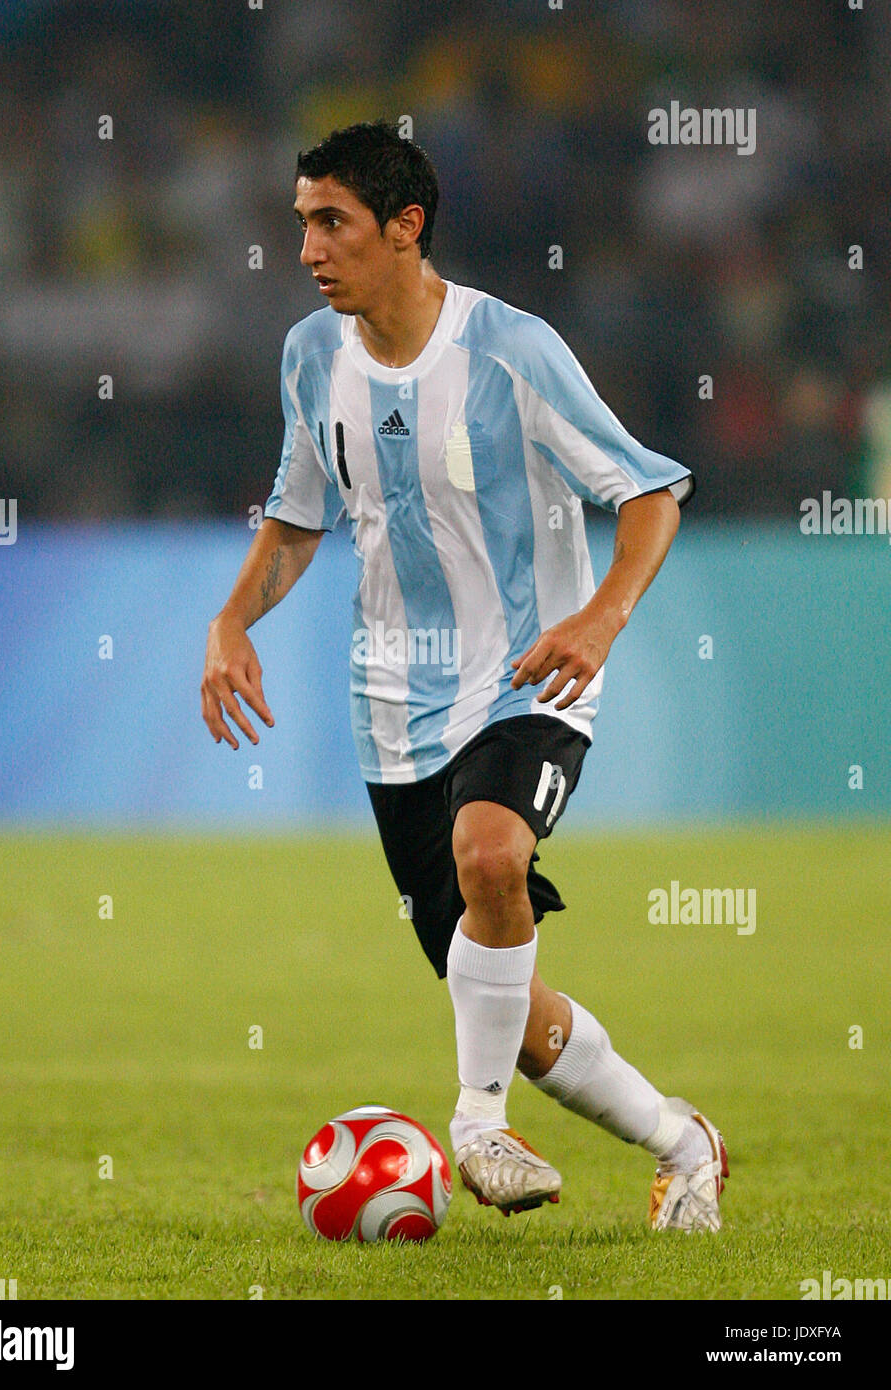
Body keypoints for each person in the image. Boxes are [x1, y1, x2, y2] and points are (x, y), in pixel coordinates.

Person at [201, 121, 728, 1230]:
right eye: (301, 221)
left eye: (330, 222)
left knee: (490, 849)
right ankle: (683, 1141)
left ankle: (475, 1123)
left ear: (405, 228)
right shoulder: (309, 355)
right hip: (392, 711)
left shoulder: (510, 350)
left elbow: (648, 493)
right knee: (505, 1000)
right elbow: (298, 517)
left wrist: (599, 618)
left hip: (531, 673)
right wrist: (231, 620)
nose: (307, 247)